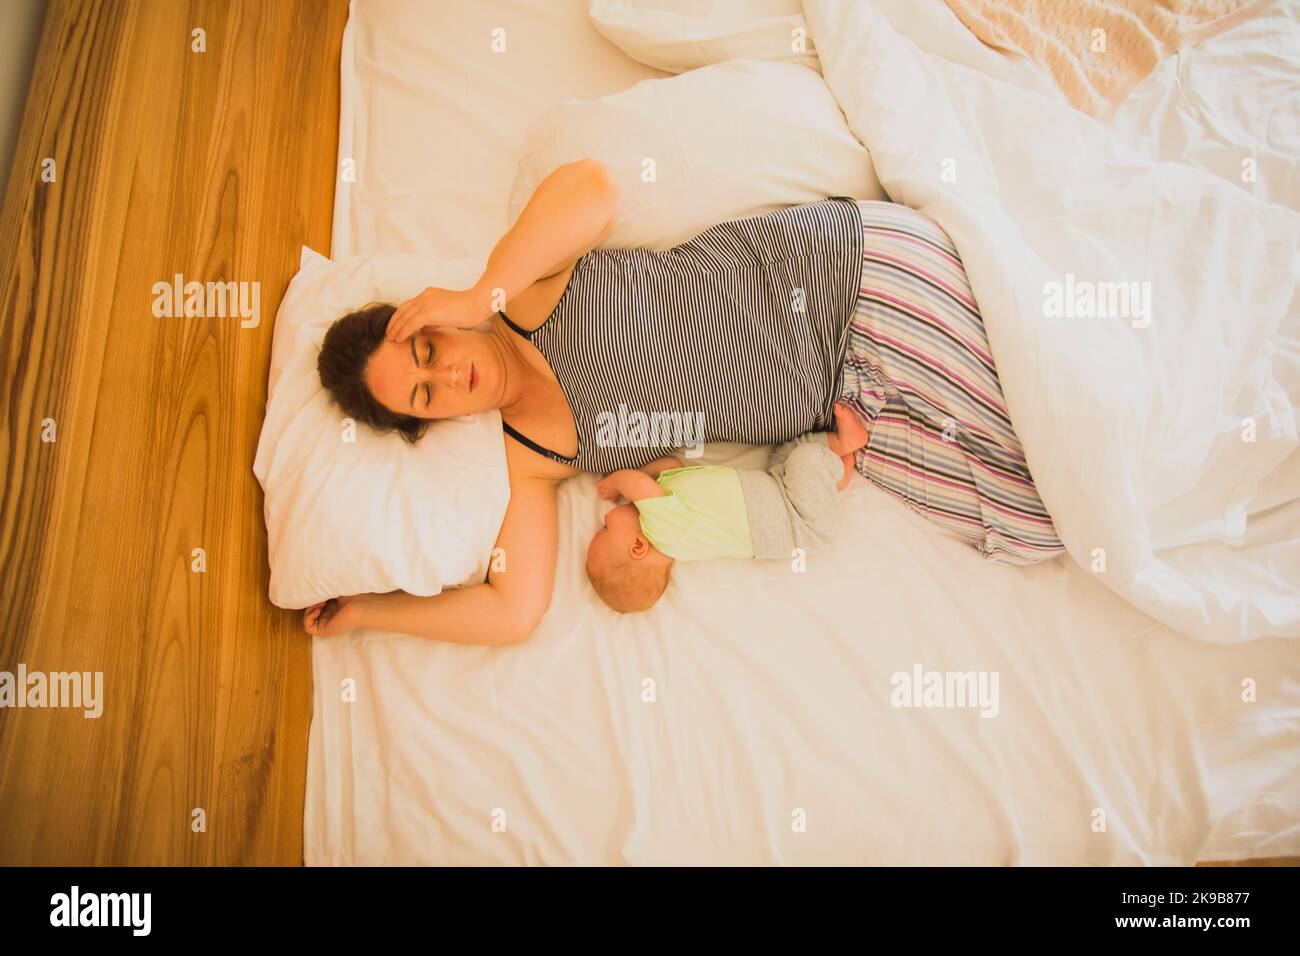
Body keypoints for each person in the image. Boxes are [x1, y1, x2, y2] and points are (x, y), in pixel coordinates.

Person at [306, 159, 1063, 643]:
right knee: (1033, 522)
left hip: (845, 284)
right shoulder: (531, 458)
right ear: (430, 424)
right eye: (425, 398)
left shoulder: (524, 293)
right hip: (846, 400)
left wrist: (479, 292)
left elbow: (592, 188)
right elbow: (513, 610)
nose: (449, 379)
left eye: (430, 353)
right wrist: (372, 611)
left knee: (1064, 425)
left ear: (432, 320)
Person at [585, 402, 869, 613]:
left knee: (787, 453)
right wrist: (616, 481)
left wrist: (645, 473)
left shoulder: (671, 520)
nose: (605, 518)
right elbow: (636, 483)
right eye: (605, 527)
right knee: (804, 459)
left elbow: (671, 467)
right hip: (803, 520)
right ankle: (844, 447)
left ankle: (836, 476)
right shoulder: (665, 535)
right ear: (638, 547)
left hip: (784, 495)